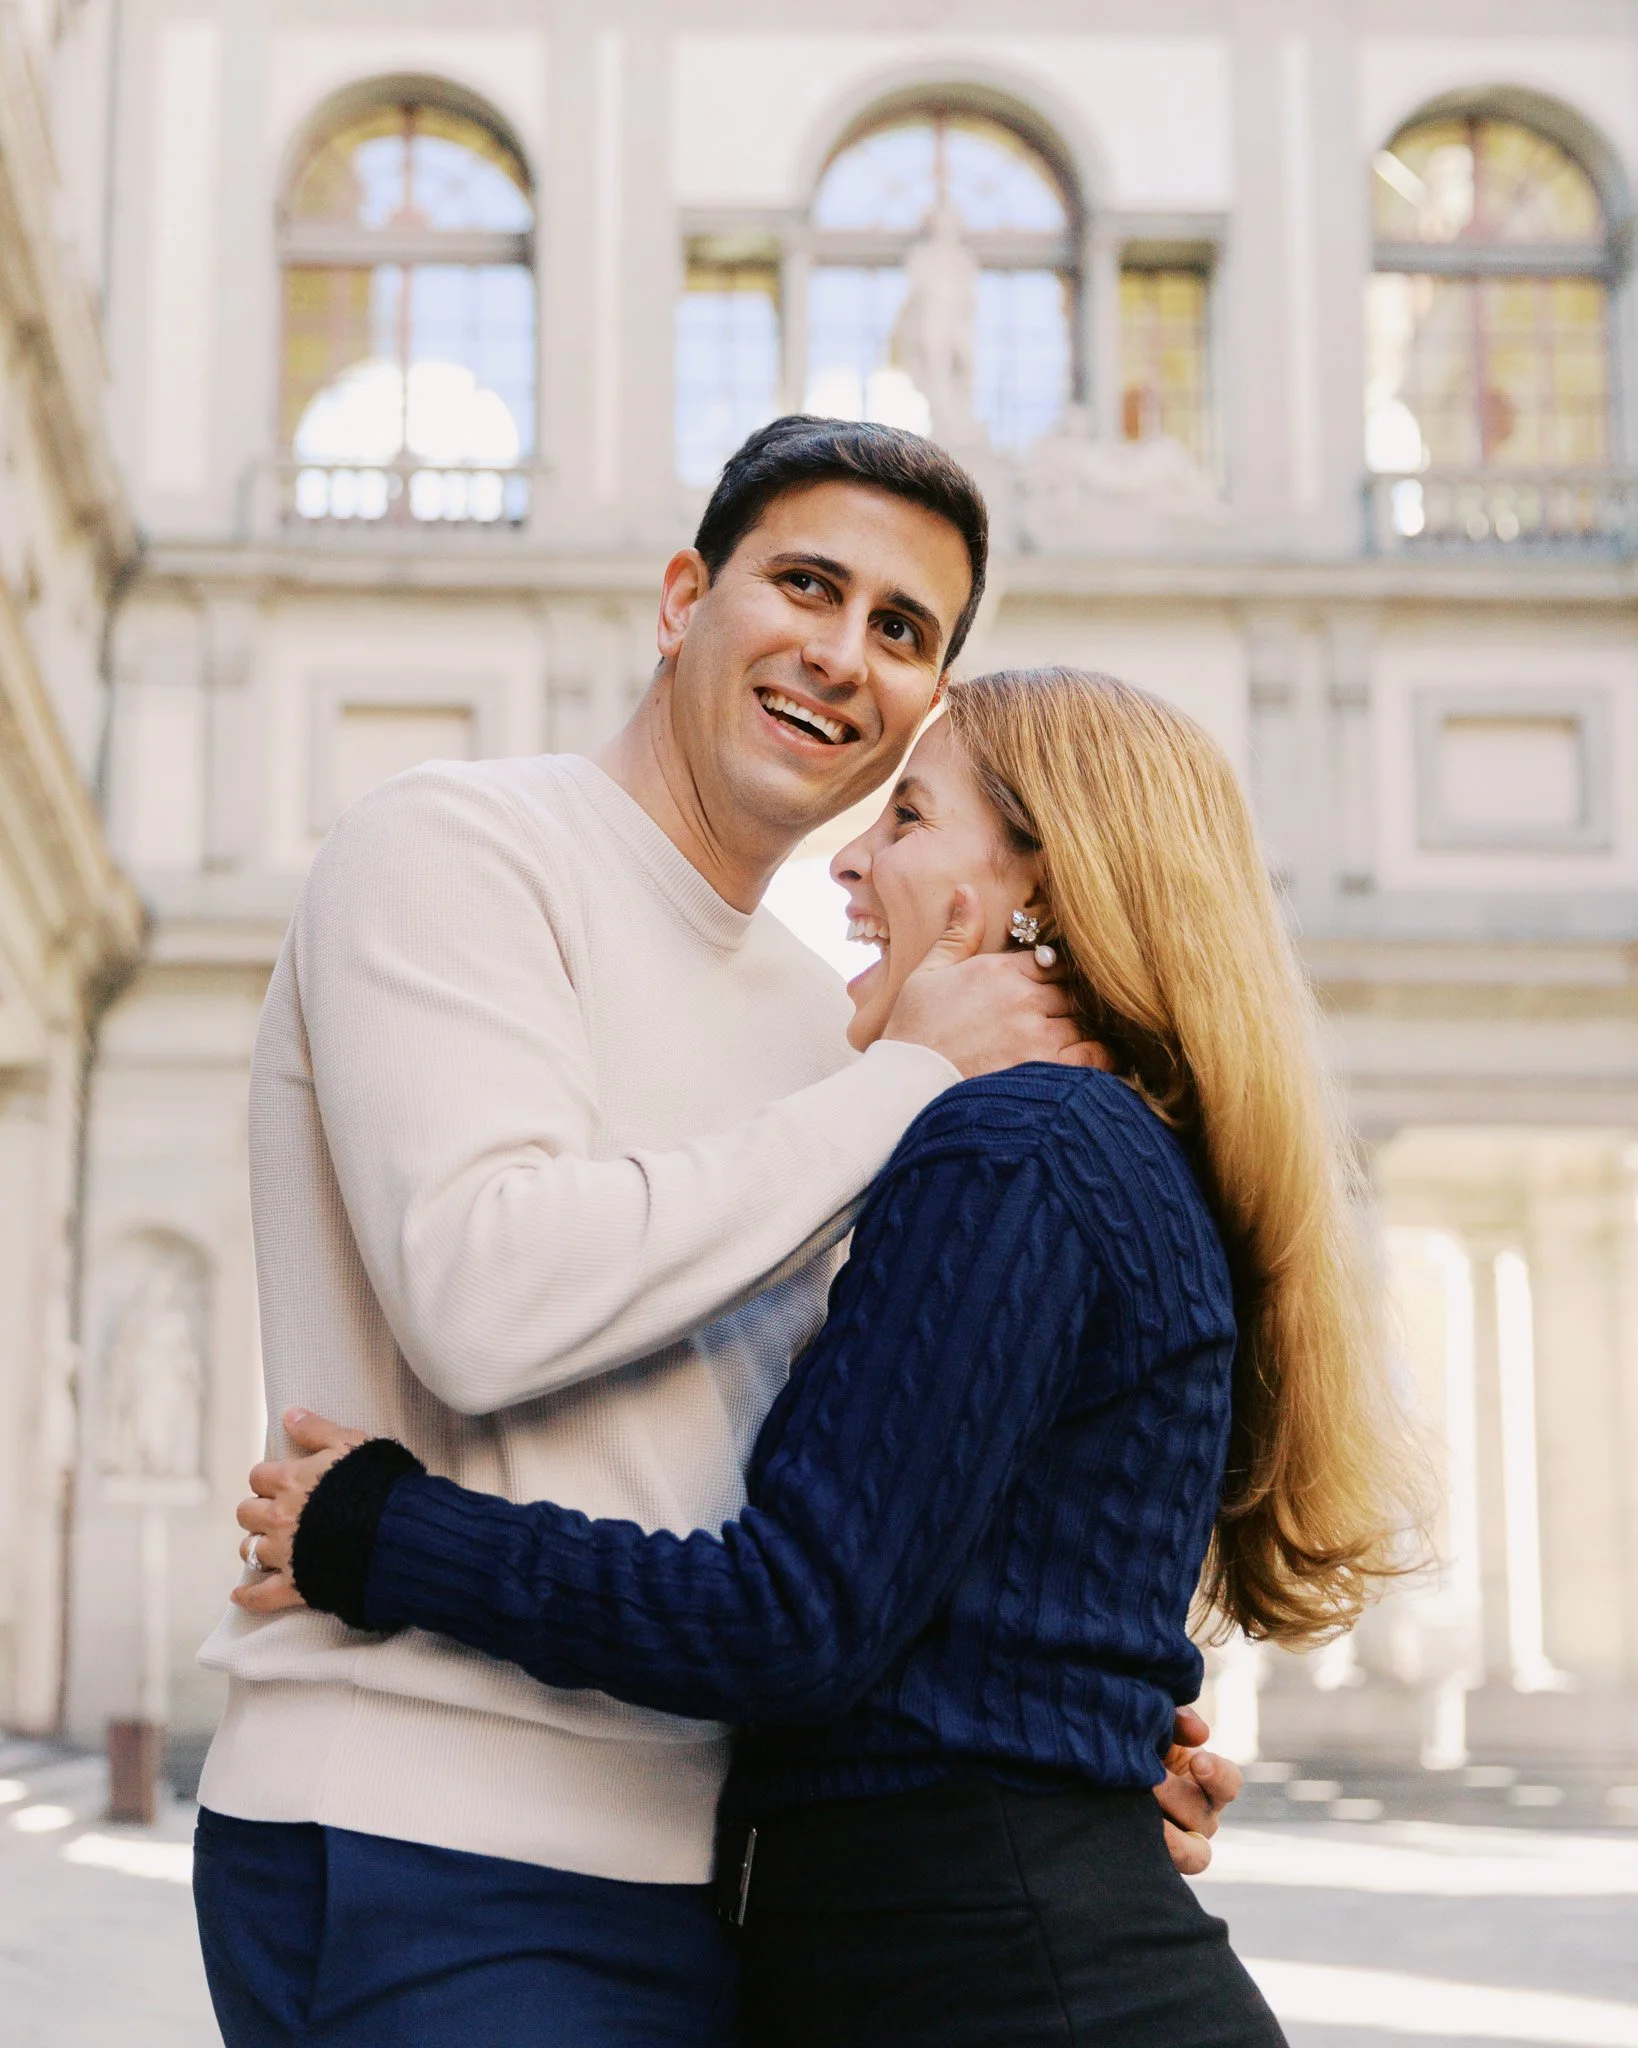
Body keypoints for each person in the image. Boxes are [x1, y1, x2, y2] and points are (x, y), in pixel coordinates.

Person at [193, 419, 1239, 2048]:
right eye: (805, 584)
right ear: (684, 596)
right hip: (428, 1824)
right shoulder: (456, 847)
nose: (841, 653)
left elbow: (875, 1477)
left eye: (902, 630)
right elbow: (482, 1296)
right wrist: (899, 1080)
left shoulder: (844, 1026)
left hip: (721, 1870)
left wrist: (1088, 1740)